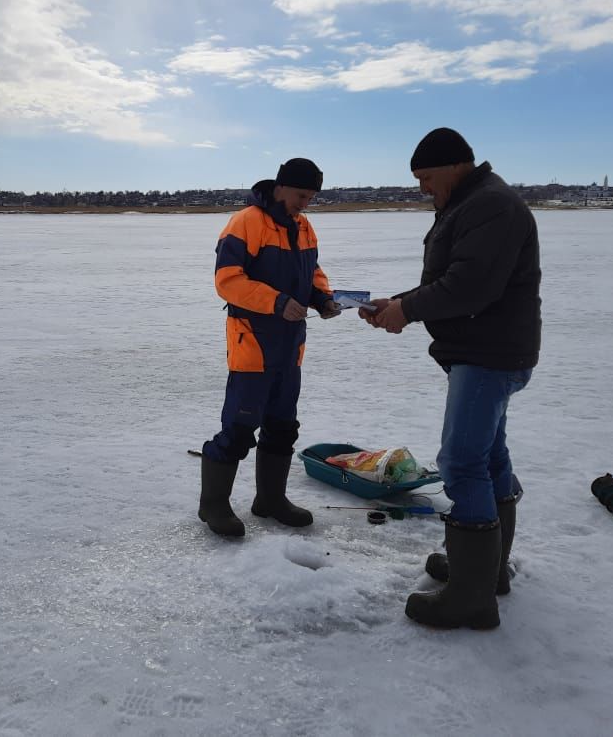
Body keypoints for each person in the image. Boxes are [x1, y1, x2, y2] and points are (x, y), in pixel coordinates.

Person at [361, 128, 541, 629]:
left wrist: (408, 310)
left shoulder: (490, 205)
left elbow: (472, 286)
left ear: (455, 165)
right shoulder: (474, 202)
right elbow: (454, 278)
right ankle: (487, 571)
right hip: (487, 350)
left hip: (487, 355)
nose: (422, 188)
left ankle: (471, 596)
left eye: (426, 177)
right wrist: (397, 304)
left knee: (462, 462)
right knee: (488, 457)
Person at [199, 158, 342, 537]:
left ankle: (270, 500)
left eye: (312, 197)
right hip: (253, 344)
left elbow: (311, 271)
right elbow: (227, 280)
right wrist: (277, 302)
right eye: (301, 195)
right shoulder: (246, 222)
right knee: (240, 428)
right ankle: (212, 505)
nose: (306, 203)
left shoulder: (304, 226)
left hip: (290, 347)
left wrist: (322, 298)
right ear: (280, 188)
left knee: (282, 426)